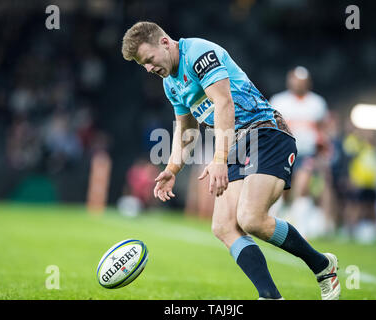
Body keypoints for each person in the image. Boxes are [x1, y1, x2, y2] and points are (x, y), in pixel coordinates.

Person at [121, 21, 340, 300]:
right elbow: (187, 129)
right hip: (237, 143)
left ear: (164, 42)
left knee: (251, 219)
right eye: (143, 65)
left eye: (149, 59)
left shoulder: (199, 53)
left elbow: (224, 103)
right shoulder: (170, 84)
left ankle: (323, 266)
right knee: (223, 226)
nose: (149, 69)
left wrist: (219, 159)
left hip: (266, 132)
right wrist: (172, 168)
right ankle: (270, 296)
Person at [269, 67, 331, 238]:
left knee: (303, 187)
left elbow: (324, 129)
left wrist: (323, 149)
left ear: (308, 83)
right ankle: (273, 223)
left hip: (306, 153)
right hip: (284, 152)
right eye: (296, 80)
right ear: (290, 81)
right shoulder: (279, 101)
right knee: (282, 190)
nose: (298, 84)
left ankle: (300, 229)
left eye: (302, 81)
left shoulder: (317, 103)